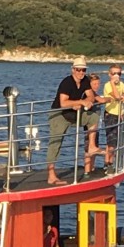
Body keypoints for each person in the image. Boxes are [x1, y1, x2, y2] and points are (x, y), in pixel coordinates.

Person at [46, 58, 97, 186]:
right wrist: (81, 102)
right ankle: (51, 175)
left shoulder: (85, 81)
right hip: (59, 114)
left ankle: (91, 145)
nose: (81, 73)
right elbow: (63, 103)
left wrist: (88, 101)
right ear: (73, 70)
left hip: (74, 113)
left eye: (83, 70)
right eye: (78, 70)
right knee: (55, 143)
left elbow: (91, 95)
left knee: (94, 117)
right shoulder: (67, 82)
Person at [102, 65, 124, 167]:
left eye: (119, 73)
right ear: (109, 74)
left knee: (114, 141)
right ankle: (108, 163)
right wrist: (113, 83)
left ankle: (109, 162)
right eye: (114, 73)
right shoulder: (108, 85)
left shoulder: (121, 84)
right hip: (110, 115)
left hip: (119, 115)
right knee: (111, 142)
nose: (117, 76)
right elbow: (117, 96)